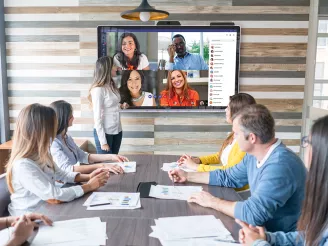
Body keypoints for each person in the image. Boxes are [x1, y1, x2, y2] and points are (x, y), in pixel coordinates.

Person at [168, 104, 306, 233]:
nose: (233, 138)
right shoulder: (253, 155)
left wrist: (212, 202)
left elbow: (253, 214)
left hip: (281, 238)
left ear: (252, 138)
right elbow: (228, 177)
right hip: (260, 233)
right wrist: (187, 175)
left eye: (236, 133)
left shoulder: (280, 165)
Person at [236, 115, 328, 246]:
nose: (305, 146)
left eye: (308, 142)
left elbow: (254, 213)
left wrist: (257, 243)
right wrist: (267, 238)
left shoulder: (281, 162)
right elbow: (311, 237)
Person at [6, 104, 110, 216]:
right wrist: (88, 186)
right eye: (52, 128)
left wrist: (89, 177)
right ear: (41, 131)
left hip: (47, 210)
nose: (54, 133)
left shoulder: (41, 154)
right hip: (28, 221)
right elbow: (53, 197)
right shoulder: (23, 165)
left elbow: (62, 174)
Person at [177, 93, 257, 192]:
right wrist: (199, 160)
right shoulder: (235, 133)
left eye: (228, 107)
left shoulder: (245, 141)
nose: (225, 110)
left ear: (237, 112)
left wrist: (195, 167)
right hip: (225, 185)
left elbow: (227, 172)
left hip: (235, 192)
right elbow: (219, 156)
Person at [50, 100, 129, 174]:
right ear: (63, 118)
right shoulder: (54, 143)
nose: (73, 118)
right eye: (71, 116)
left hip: (73, 178)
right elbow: (67, 169)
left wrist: (112, 157)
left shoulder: (67, 137)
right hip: (64, 184)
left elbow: (83, 156)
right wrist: (102, 166)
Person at [88, 56, 123, 154]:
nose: (117, 68)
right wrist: (103, 142)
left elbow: (111, 105)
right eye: (114, 65)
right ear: (107, 68)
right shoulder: (98, 90)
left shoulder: (111, 85)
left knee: (115, 163)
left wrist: (121, 106)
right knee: (106, 165)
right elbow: (97, 117)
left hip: (117, 131)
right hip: (104, 133)